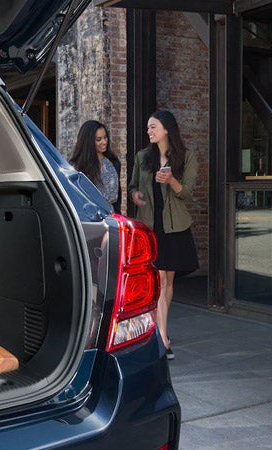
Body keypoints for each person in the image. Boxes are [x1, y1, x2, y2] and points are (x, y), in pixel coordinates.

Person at [129, 110, 199, 360]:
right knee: (159, 279)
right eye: (148, 127)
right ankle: (162, 336)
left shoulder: (187, 157)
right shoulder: (142, 157)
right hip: (150, 227)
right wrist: (135, 196)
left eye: (153, 127)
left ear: (167, 129)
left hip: (175, 227)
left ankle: (159, 328)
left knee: (168, 281)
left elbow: (187, 193)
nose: (149, 131)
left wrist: (170, 180)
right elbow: (133, 186)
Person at [69, 120, 122, 213]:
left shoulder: (114, 162)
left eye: (105, 137)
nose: (104, 142)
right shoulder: (77, 166)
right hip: (86, 215)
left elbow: (117, 197)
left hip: (110, 215)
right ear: (88, 141)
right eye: (98, 139)